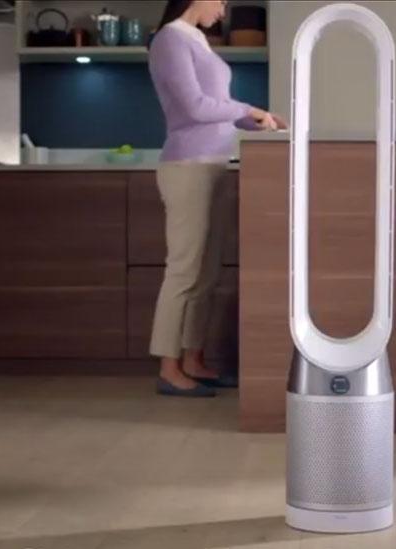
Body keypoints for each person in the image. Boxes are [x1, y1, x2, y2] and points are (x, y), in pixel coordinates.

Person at [148, 0, 286, 397]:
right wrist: (248, 108)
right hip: (187, 165)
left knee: (207, 273)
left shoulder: (195, 40)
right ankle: (168, 367)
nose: (224, 11)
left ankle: (193, 358)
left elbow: (215, 108)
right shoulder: (169, 40)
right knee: (184, 270)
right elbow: (192, 107)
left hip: (214, 165)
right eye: (221, 1)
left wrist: (259, 121)